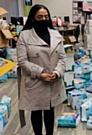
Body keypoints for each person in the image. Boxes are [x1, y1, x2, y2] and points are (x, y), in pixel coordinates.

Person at [17, 4, 67, 135]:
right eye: (40, 17)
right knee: (36, 111)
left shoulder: (56, 35)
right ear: (33, 18)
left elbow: (62, 58)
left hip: (53, 80)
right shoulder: (24, 36)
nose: (44, 19)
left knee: (50, 111)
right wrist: (41, 73)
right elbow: (22, 61)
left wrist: (56, 73)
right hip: (35, 81)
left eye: (46, 16)